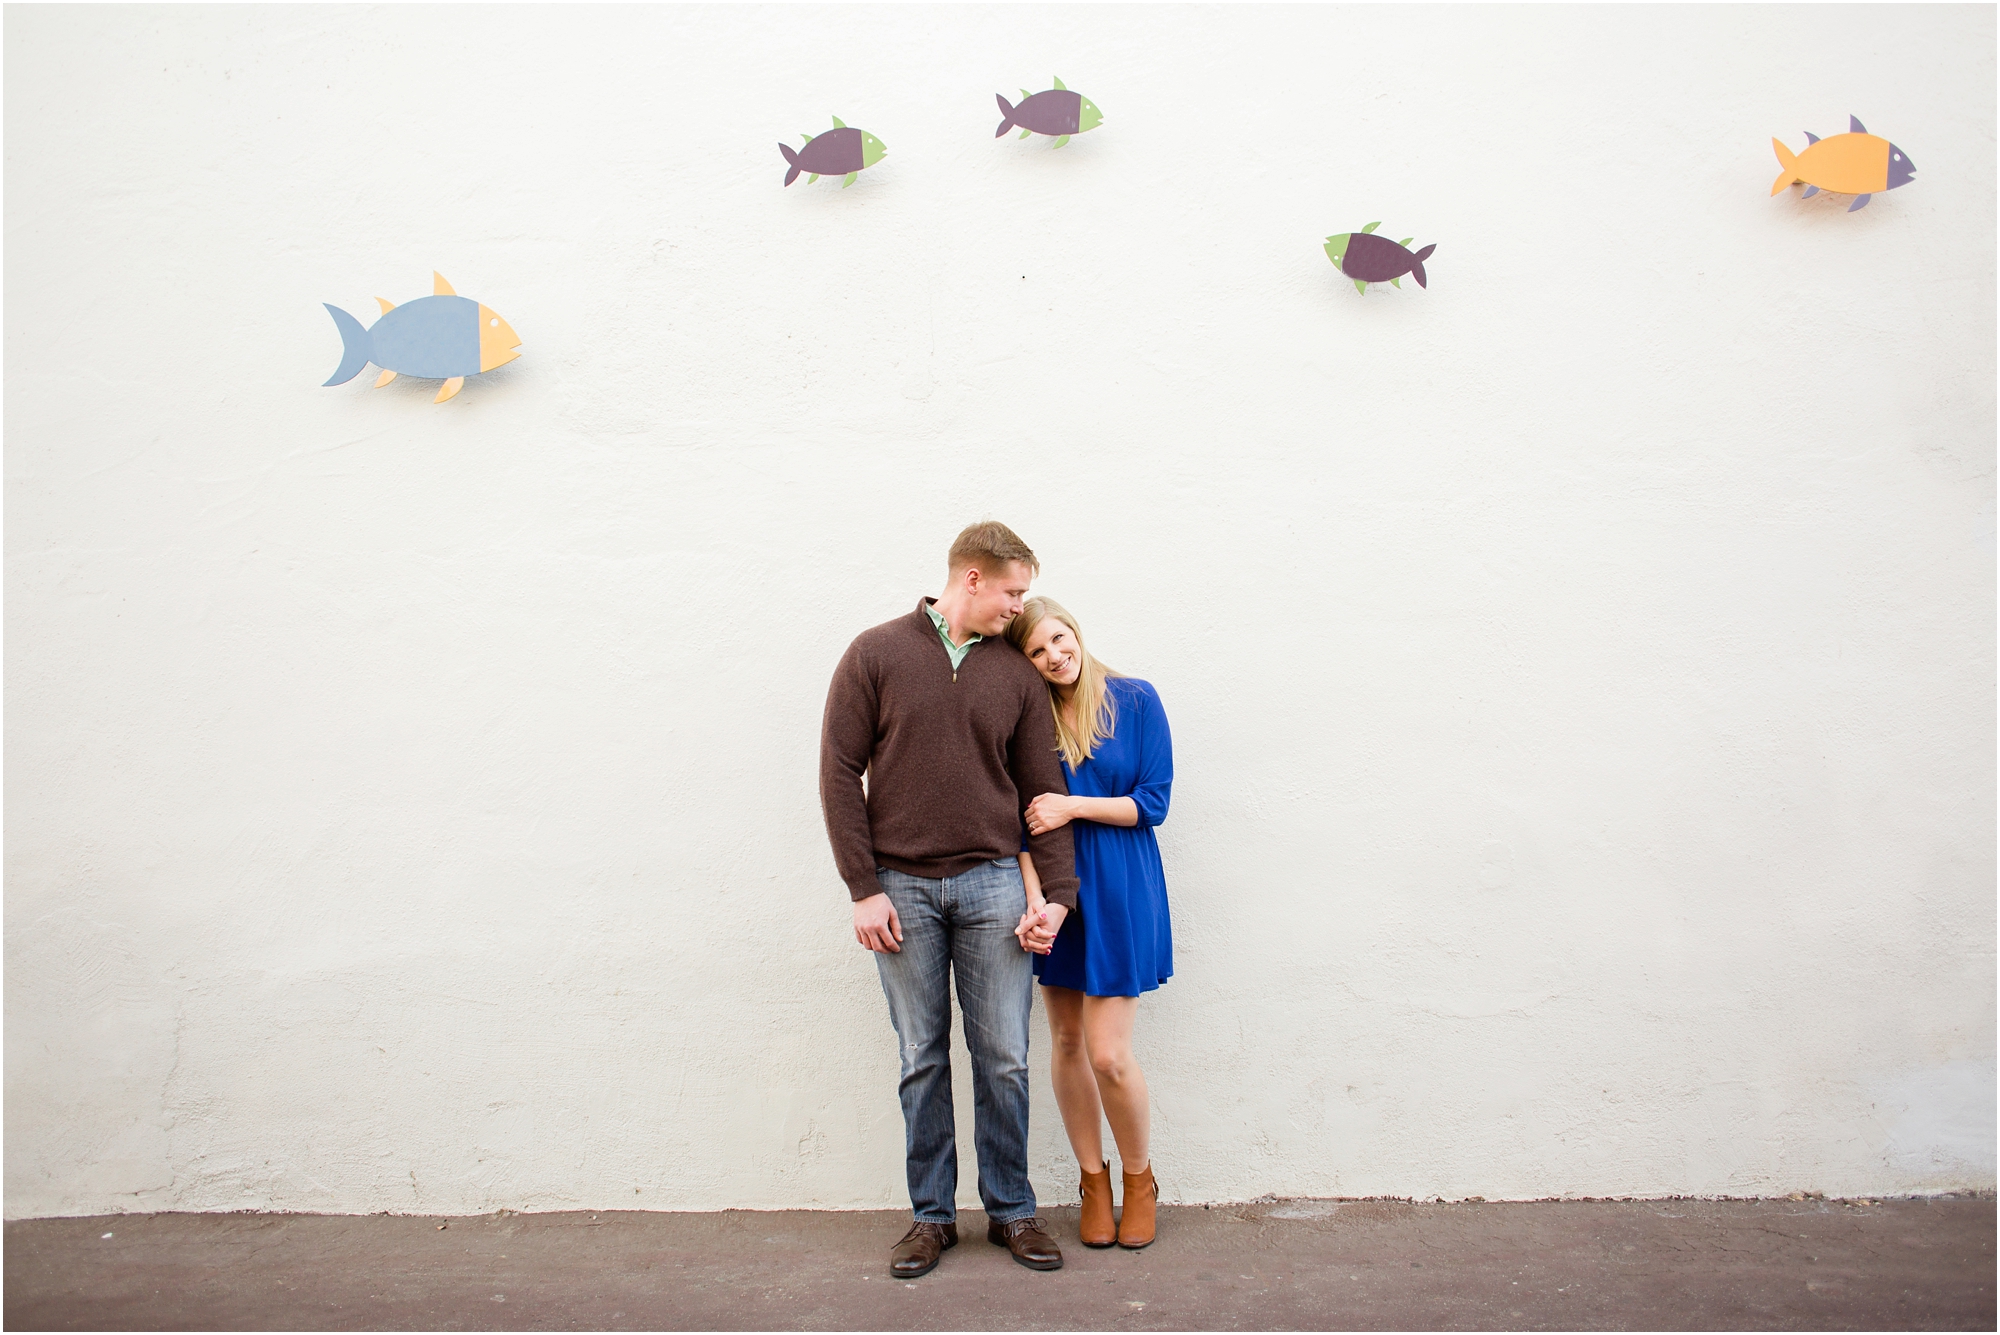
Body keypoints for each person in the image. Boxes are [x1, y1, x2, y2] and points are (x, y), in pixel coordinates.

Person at [819, 522, 1078, 1280]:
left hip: (995, 880)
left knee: (1003, 1055)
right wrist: (863, 887)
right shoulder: (876, 653)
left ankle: (1011, 1210)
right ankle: (931, 1217)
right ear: (971, 578)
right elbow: (839, 771)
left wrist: (1056, 897)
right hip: (899, 888)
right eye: (1012, 591)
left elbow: (1045, 792)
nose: (1018, 607)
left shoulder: (1018, 676)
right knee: (920, 1055)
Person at [1005, 596, 1174, 1250]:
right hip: (1056, 892)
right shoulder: (1031, 719)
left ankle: (1140, 1178)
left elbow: (1152, 803)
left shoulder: (1134, 699)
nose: (1055, 655)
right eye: (1038, 651)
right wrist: (1032, 898)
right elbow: (1019, 819)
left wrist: (1071, 803)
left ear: (1074, 630)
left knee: (1109, 1051)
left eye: (1058, 638)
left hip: (1122, 887)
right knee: (1069, 1043)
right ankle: (1091, 1181)